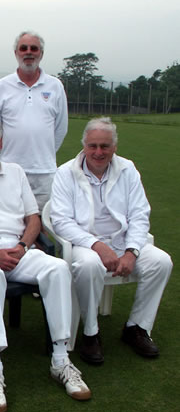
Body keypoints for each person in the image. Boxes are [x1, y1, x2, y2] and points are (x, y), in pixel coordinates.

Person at [0, 116, 91, 412]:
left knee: (58, 268)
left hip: (17, 249)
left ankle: (61, 359)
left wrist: (23, 247)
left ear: (1, 142)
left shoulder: (16, 172)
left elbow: (33, 218)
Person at [50, 117, 173, 365]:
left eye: (104, 146)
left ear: (114, 147)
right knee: (88, 266)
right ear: (84, 145)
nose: (98, 152)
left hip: (123, 242)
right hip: (85, 244)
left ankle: (136, 327)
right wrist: (97, 246)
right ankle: (91, 332)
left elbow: (139, 214)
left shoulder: (128, 169)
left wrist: (131, 251)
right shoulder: (65, 173)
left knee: (162, 262)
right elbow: (61, 221)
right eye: (93, 145)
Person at [0, 30, 68, 211]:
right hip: (10, 169)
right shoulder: (1, 87)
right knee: (11, 221)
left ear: (41, 54)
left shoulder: (55, 86)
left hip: (45, 172)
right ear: (16, 53)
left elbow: (61, 128)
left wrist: (43, 153)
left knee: (44, 225)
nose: (29, 52)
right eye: (23, 48)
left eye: (34, 48)